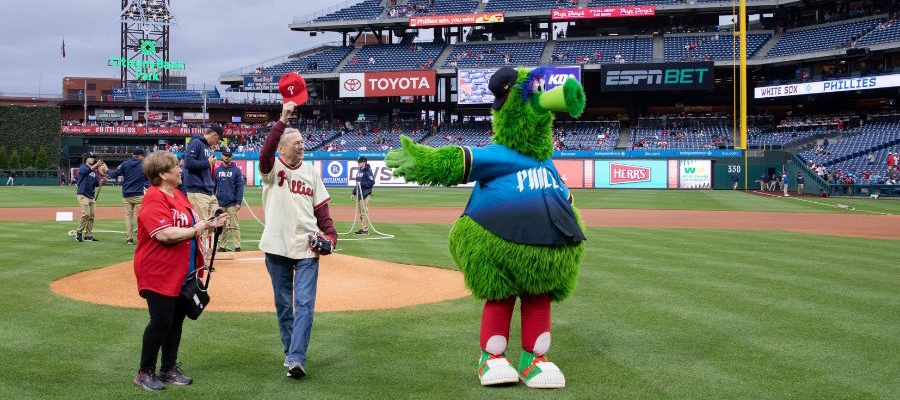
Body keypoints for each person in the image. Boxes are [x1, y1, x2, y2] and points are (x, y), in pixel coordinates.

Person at [132, 151, 228, 391]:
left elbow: (191, 226)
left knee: (176, 321)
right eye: (176, 166)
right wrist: (198, 229)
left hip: (182, 271)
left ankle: (167, 369)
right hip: (158, 271)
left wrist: (209, 224)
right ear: (163, 174)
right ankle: (145, 372)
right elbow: (164, 234)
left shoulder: (178, 195)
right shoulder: (154, 199)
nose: (180, 169)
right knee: (161, 321)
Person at [258, 101, 337, 379]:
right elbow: (265, 154)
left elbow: (322, 211)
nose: (301, 146)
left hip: (306, 246)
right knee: (283, 305)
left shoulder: (312, 172)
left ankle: (296, 358)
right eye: (295, 142)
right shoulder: (271, 170)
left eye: (303, 142)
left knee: (304, 303)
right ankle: (290, 350)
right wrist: (282, 120)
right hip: (276, 245)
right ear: (282, 148)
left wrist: (331, 237)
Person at [184, 124, 222, 251]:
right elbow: (188, 163)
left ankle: (206, 252)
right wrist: (207, 163)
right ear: (214, 135)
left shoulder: (206, 146)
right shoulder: (196, 143)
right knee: (203, 225)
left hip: (208, 191)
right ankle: (201, 257)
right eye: (218, 139)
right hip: (197, 190)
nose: (217, 142)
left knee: (216, 222)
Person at [107, 149, 149, 244]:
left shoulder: (125, 164)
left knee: (128, 217)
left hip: (126, 194)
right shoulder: (144, 165)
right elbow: (148, 179)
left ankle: (129, 238)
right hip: (139, 195)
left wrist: (106, 170)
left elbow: (113, 175)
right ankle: (141, 238)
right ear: (140, 156)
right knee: (141, 218)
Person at [214, 149, 244, 252]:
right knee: (221, 225)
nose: (227, 157)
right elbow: (214, 186)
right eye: (225, 155)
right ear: (222, 156)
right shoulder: (217, 170)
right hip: (220, 202)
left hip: (232, 203)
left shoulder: (236, 170)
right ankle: (222, 246)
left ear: (231, 157)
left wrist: (238, 202)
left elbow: (240, 187)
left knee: (234, 225)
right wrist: (213, 200)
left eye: (229, 155)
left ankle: (237, 246)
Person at [75, 153, 106, 242]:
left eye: (93, 158)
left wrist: (102, 181)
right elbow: (86, 171)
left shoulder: (94, 172)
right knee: (86, 214)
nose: (93, 159)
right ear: (86, 159)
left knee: (91, 216)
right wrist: (97, 164)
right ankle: (79, 232)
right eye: (91, 157)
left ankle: (88, 235)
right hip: (82, 194)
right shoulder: (83, 167)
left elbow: (96, 183)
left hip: (91, 196)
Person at [351, 156, 375, 234]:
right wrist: (353, 192)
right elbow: (357, 184)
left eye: (359, 162)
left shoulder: (368, 171)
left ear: (364, 162)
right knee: (361, 212)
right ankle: (363, 227)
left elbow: (371, 182)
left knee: (364, 212)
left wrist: (362, 184)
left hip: (365, 194)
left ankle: (365, 230)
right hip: (359, 194)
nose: (358, 163)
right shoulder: (359, 172)